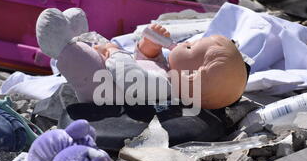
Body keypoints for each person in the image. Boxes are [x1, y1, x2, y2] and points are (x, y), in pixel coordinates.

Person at [36, 8, 249, 110]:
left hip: (101, 88)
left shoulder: (164, 89)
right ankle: (73, 38)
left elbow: (132, 80)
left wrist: (114, 52)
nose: (184, 42)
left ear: (193, 75)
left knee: (87, 62)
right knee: (96, 47)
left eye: (190, 46)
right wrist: (150, 49)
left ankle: (60, 44)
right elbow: (147, 64)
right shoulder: (168, 76)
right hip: (111, 73)